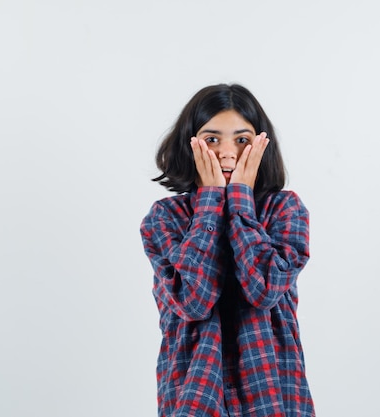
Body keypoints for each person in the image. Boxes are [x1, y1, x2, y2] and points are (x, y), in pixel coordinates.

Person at [140, 83, 315, 417]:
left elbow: (263, 290)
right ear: (189, 146)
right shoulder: (164, 218)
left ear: (262, 146)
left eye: (242, 140)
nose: (227, 152)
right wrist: (210, 203)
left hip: (273, 395)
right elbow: (193, 300)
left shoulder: (285, 210)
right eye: (211, 139)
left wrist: (239, 203)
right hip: (195, 395)